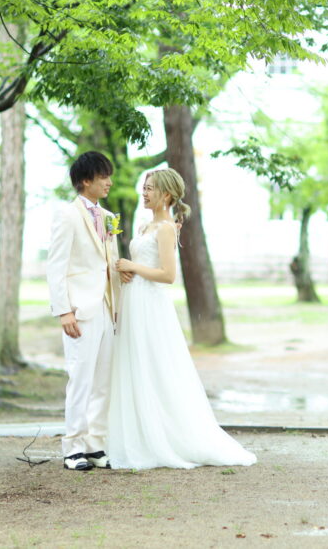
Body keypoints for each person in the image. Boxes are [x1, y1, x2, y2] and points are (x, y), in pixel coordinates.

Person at [108, 168, 256, 470]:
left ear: (166, 194)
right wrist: (126, 271)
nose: (144, 192)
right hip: (134, 300)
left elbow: (168, 275)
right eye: (144, 187)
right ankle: (140, 435)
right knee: (136, 363)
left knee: (155, 364)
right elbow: (143, 265)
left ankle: (168, 436)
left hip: (151, 304)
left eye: (150, 188)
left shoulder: (165, 228)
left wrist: (132, 267)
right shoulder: (145, 226)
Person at [46, 151, 129, 471]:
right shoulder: (67, 215)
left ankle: (95, 445)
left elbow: (109, 261)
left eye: (109, 176)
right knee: (80, 380)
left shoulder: (107, 216)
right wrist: (63, 311)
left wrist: (120, 287)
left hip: (107, 308)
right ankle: (73, 448)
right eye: (103, 177)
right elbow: (56, 266)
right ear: (85, 181)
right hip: (80, 310)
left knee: (103, 381)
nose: (109, 182)